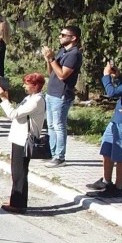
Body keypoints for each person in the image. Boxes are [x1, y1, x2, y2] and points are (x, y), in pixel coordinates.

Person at [0, 73, 46, 214]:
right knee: (17, 170)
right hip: (18, 137)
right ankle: (15, 199)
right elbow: (18, 113)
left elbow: (13, 114)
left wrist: (4, 99)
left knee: (19, 172)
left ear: (35, 85)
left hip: (24, 139)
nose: (24, 86)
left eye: (27, 83)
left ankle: (18, 204)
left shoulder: (36, 101)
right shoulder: (30, 98)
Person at [41, 24, 83, 168]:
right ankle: (53, 154)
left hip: (62, 95)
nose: (60, 37)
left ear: (73, 38)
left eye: (63, 35)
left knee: (59, 126)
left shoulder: (74, 54)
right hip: (51, 92)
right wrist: (48, 59)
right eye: (60, 34)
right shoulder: (62, 51)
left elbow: (62, 75)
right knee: (51, 125)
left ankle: (60, 157)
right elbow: (51, 72)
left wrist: (52, 59)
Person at [85, 63, 122, 198]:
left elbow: (112, 92)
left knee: (121, 156)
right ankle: (106, 182)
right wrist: (119, 76)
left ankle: (118, 188)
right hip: (116, 120)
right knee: (106, 149)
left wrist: (106, 76)